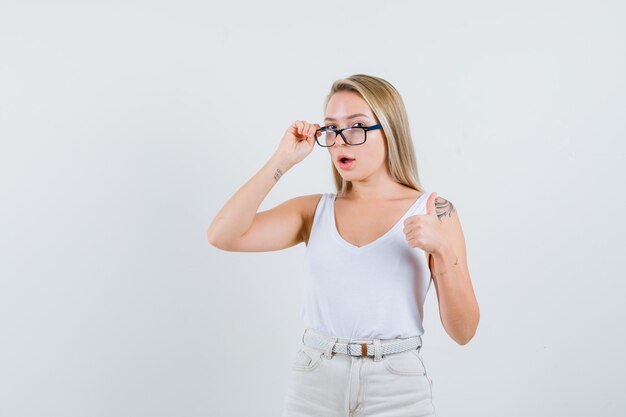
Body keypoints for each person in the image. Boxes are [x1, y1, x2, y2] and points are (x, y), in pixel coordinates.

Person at [207, 74, 480, 417]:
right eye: (331, 129)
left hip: (397, 385)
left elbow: (464, 332)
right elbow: (223, 235)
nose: (339, 141)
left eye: (356, 127)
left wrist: (443, 251)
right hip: (315, 380)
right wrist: (283, 159)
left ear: (390, 130)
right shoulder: (313, 211)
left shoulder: (434, 213)